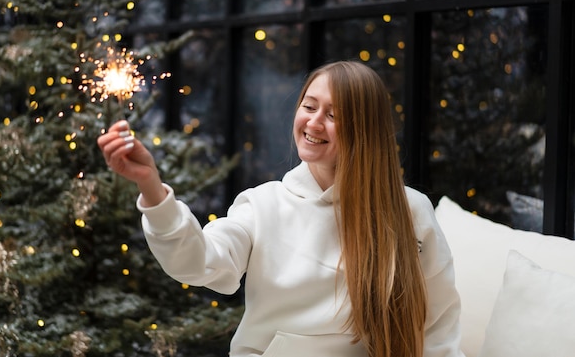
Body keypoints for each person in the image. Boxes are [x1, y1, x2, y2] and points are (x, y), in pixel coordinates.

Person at [97, 60, 465, 357]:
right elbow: (197, 261)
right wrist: (152, 188)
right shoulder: (262, 205)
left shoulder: (409, 210)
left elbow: (438, 329)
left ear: (364, 130)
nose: (314, 122)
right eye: (309, 106)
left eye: (334, 115)